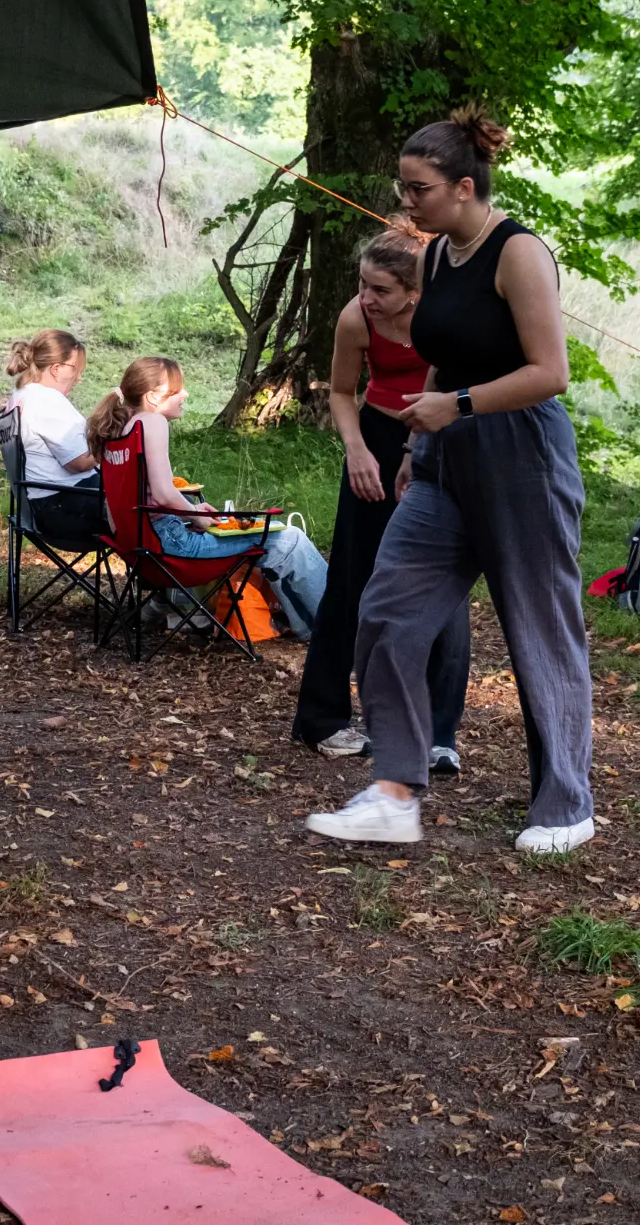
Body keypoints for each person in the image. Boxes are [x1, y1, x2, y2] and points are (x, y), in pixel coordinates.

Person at [305, 105, 595, 853]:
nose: (407, 202)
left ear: (464, 187)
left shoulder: (518, 253)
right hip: (441, 460)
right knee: (389, 610)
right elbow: (441, 351)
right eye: (404, 188)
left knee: (540, 630)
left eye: (419, 189)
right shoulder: (435, 257)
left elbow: (550, 374)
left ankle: (566, 806)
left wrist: (455, 404)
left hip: (520, 455)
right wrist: (415, 446)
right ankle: (396, 791)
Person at [292, 219, 470, 770]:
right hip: (374, 436)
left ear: (415, 292)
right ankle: (323, 719)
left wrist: (415, 454)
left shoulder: (444, 316)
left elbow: (454, 389)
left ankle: (439, 733)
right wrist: (357, 450)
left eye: (380, 290)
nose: (366, 297)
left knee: (443, 585)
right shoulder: (356, 317)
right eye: (362, 284)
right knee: (352, 575)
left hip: (439, 442)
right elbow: (343, 392)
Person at [87, 356, 328, 641]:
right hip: (171, 549)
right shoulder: (150, 423)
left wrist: (192, 511)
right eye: (177, 389)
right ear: (153, 396)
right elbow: (164, 493)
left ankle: (313, 629)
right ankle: (341, 628)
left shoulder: (119, 429)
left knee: (277, 544)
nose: (185, 394)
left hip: (141, 549)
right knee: (290, 539)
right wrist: (196, 517)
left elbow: (123, 507)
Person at [6, 329, 102, 547]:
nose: (79, 377)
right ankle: (164, 575)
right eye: (76, 369)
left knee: (143, 498)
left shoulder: (21, 395)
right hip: (64, 510)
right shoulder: (45, 400)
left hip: (37, 508)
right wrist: (112, 444)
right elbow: (79, 462)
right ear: (57, 369)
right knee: (146, 508)